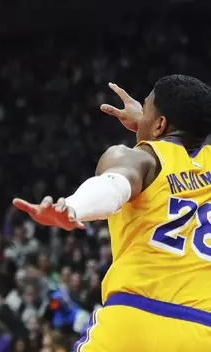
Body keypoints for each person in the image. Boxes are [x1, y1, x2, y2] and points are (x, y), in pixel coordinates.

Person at [13, 76, 211, 351]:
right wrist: (150, 124)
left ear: (161, 124)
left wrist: (73, 207)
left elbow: (114, 185)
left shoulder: (137, 157)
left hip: (135, 318)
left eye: (146, 109)